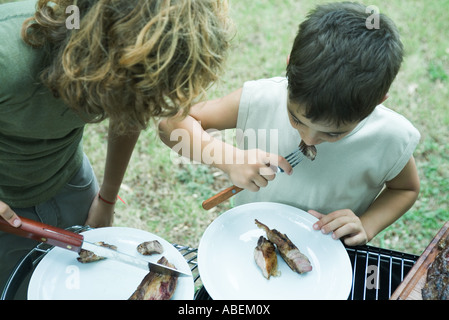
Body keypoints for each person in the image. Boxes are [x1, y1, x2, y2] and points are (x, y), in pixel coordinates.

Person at [0, 0, 231, 297]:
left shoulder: (126, 68)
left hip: (68, 175)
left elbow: (130, 109)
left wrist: (107, 197)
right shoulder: (10, 56)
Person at [159, 2, 421, 248]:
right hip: (251, 236)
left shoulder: (389, 137)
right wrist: (228, 159)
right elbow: (171, 123)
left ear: (377, 101)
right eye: (296, 119)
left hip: (328, 252)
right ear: (289, 70)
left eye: (332, 132)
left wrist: (367, 224)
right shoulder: (262, 99)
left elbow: (405, 189)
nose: (308, 139)